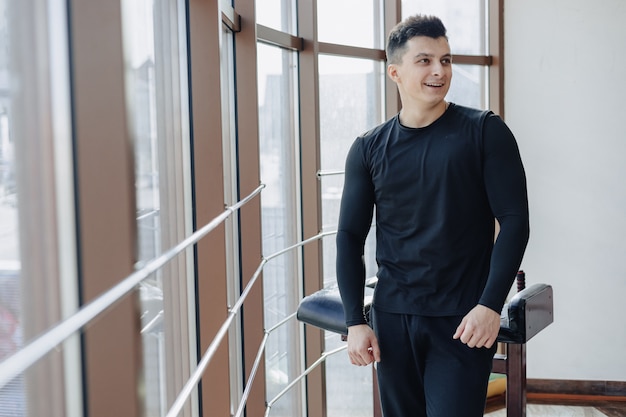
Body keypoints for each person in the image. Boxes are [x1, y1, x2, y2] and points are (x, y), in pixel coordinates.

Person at [336, 14, 530, 417]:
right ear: (395, 72)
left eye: (445, 59)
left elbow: (515, 221)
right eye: (424, 61)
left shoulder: (485, 131)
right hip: (393, 318)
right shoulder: (368, 148)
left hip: (463, 319)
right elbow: (350, 236)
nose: (439, 71)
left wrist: (490, 305)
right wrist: (355, 321)